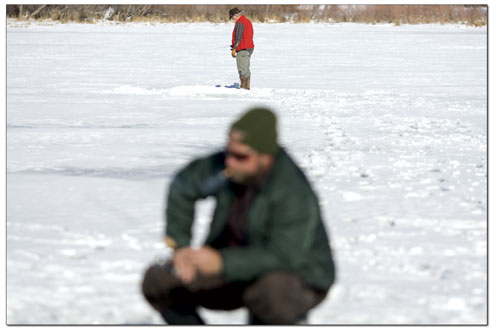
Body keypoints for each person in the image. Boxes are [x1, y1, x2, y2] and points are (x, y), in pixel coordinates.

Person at [142, 107, 336, 325]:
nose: (230, 163)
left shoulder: (293, 191)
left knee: (271, 291)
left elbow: (285, 256)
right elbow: (184, 186)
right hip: (232, 267)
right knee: (160, 280)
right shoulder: (228, 166)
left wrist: (222, 262)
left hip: (300, 276)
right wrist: (181, 248)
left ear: (266, 157)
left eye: (241, 156)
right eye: (229, 152)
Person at [229, 8, 254, 90]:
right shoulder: (247, 21)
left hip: (243, 49)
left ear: (236, 16)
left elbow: (238, 37)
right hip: (248, 48)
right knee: (245, 68)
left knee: (242, 69)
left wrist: (234, 48)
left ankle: (244, 89)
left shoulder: (240, 23)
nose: (232, 20)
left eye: (232, 18)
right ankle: (246, 88)